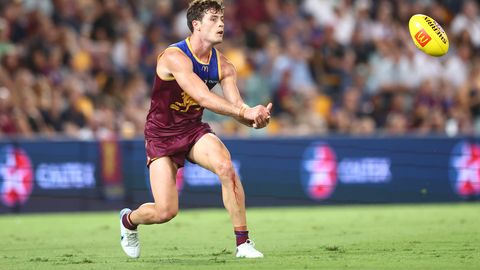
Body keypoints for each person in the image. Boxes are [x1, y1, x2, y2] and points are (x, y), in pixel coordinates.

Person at [119, 0, 271, 259]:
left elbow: (237, 107)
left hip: (193, 130)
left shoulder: (225, 66)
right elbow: (202, 97)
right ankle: (128, 221)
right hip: (161, 135)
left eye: (222, 19)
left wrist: (255, 118)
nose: (221, 23)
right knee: (165, 212)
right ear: (196, 25)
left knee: (226, 167)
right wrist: (244, 112)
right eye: (213, 19)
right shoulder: (174, 56)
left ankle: (243, 243)